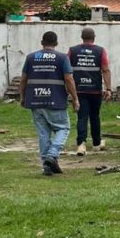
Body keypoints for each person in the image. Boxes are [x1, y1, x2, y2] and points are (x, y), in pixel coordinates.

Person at [19, 30, 79, 176]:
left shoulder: (31, 57)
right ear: (56, 43)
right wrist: (75, 99)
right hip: (55, 99)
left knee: (43, 133)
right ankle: (52, 155)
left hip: (35, 100)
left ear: (42, 42)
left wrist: (22, 96)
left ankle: (46, 166)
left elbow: (23, 79)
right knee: (63, 128)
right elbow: (69, 79)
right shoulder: (62, 58)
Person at [68, 27, 112, 155]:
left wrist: (68, 90)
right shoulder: (100, 51)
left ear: (82, 37)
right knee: (94, 117)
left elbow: (66, 70)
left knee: (82, 117)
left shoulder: (72, 51)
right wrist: (108, 89)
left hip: (79, 90)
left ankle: (81, 144)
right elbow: (105, 70)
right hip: (95, 90)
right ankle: (96, 144)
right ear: (94, 37)